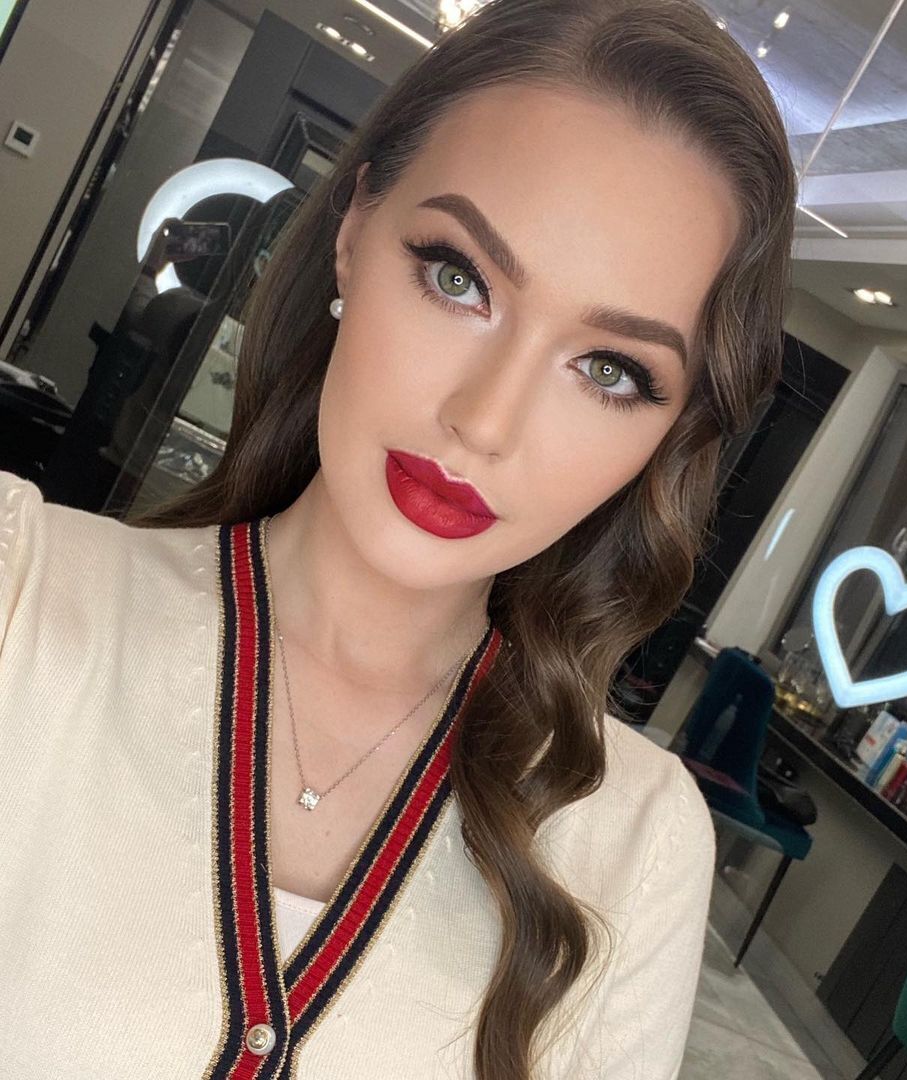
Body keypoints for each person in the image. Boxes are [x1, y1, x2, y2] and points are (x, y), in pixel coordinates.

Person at [0, 0, 796, 1076]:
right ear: (352, 233)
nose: (485, 421)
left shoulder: (637, 840)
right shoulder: (20, 593)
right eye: (459, 278)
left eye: (610, 370)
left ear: (668, 431)